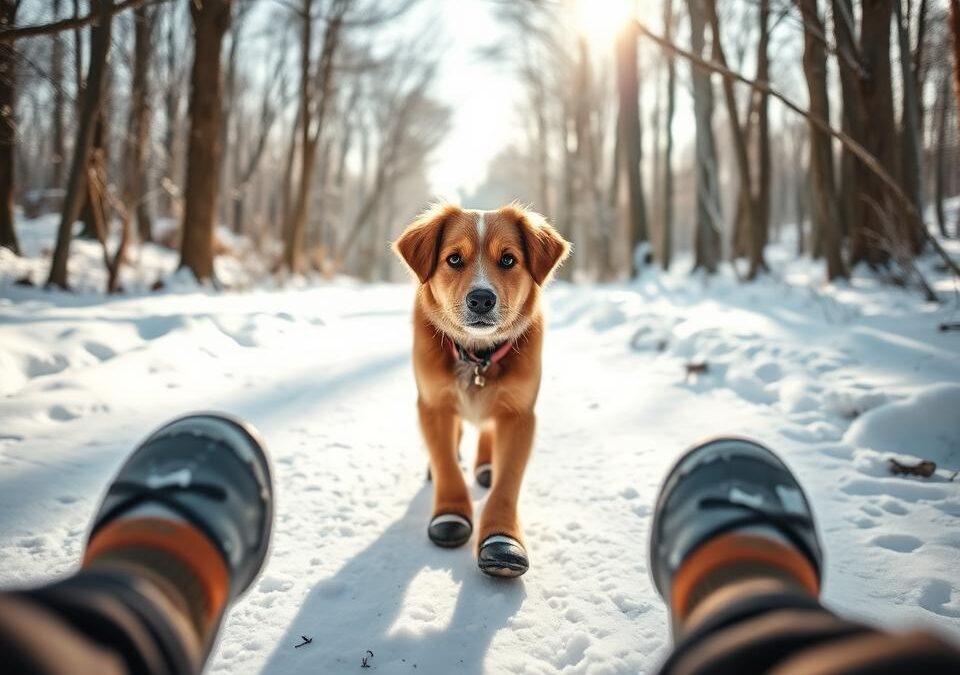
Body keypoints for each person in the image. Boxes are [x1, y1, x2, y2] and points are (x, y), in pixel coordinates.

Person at [0, 416, 956, 674]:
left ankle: (148, 596)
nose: (483, 283)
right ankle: (750, 611)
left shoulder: (521, 311)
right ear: (431, 264)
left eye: (506, 262)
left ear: (533, 267)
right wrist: (448, 478)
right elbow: (432, 401)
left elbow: (522, 404)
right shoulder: (433, 306)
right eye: (458, 261)